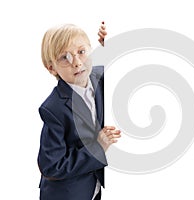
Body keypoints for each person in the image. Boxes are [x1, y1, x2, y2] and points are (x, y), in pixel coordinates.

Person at [37, 22, 121, 200]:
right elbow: (51, 165)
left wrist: (113, 45)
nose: (76, 63)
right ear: (52, 68)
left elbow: (127, 67)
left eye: (81, 52)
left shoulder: (105, 76)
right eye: (64, 58)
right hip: (68, 194)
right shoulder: (53, 108)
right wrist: (97, 148)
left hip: (97, 187)